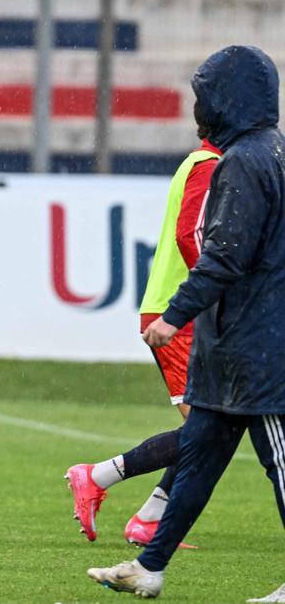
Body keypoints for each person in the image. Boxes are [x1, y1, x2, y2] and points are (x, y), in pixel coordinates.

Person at [87, 45, 285, 600]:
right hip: (233, 346)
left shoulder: (244, 161)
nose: (199, 110)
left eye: (205, 97)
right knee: (198, 457)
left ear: (226, 101)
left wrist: (174, 316)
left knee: (280, 460)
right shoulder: (274, 152)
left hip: (255, 347)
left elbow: (224, 256)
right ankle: (150, 566)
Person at [65, 128, 220, 545]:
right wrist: (217, 290)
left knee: (212, 427)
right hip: (182, 312)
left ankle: (149, 517)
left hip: (187, 309)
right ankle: (98, 477)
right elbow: (191, 236)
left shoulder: (204, 162)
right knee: (210, 428)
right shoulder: (209, 166)